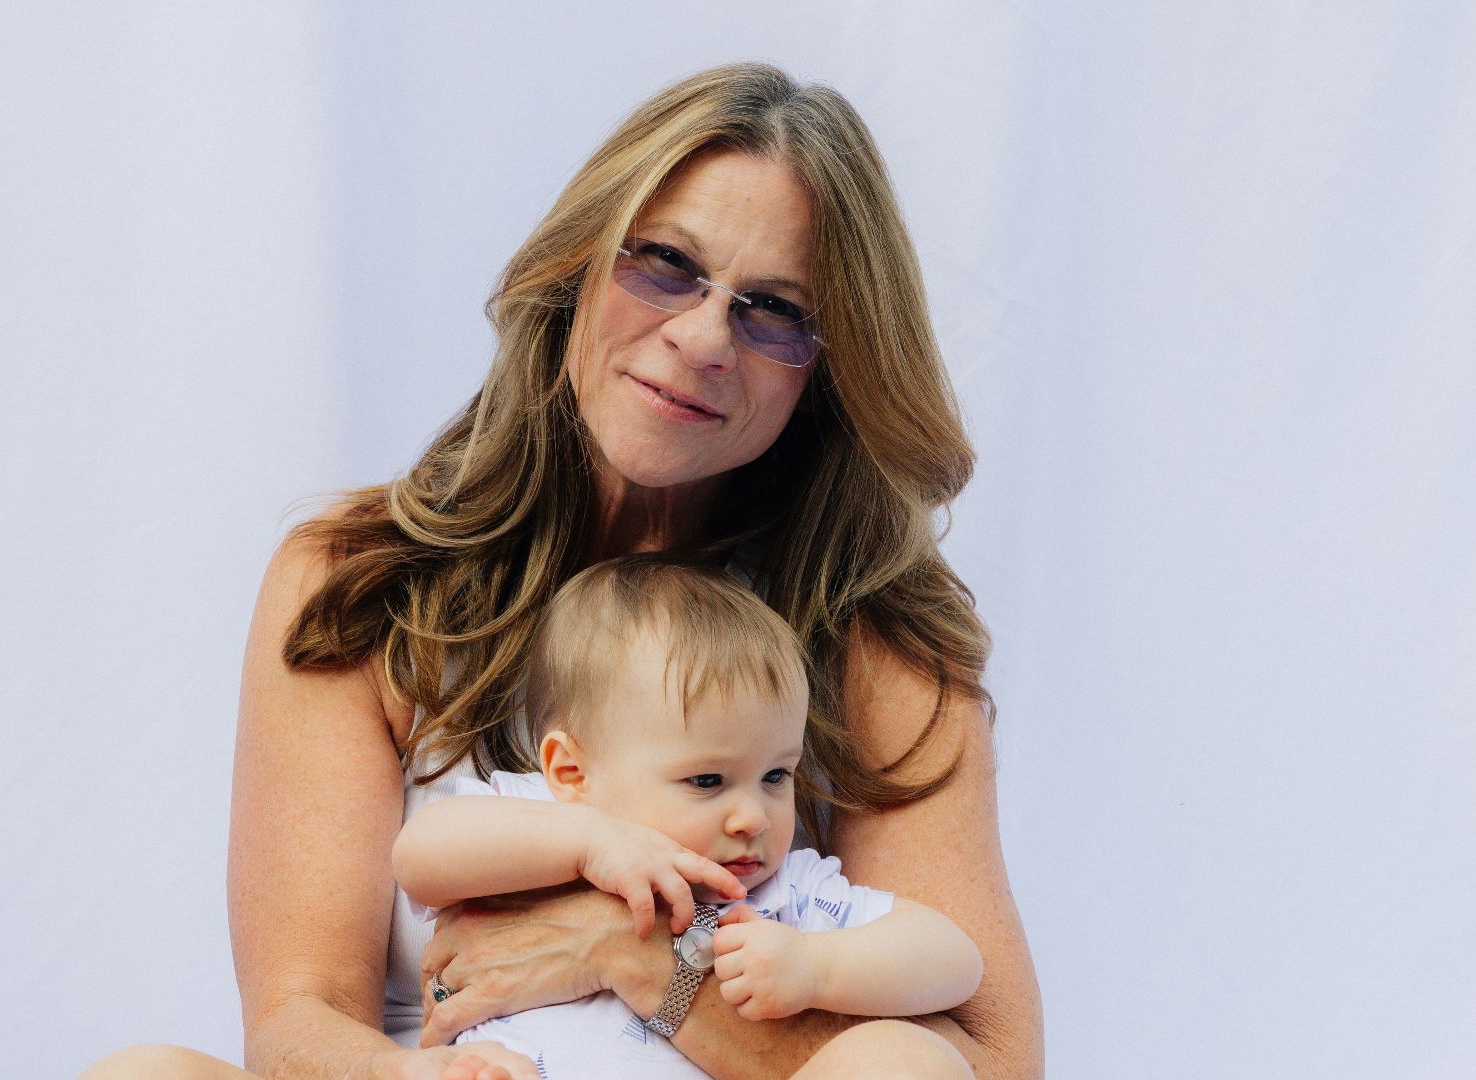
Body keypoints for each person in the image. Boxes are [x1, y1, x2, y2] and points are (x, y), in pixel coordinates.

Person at [83, 61, 1042, 1080]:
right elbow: (300, 1019)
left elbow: (987, 1063)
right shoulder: (357, 584)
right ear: (578, 263)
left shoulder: (876, 634)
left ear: (830, 368)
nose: (703, 336)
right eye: (667, 263)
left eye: (772, 311)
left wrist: (630, 955)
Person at [393, 557, 983, 1078]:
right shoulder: (542, 823)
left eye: (777, 776)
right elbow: (419, 857)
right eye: (707, 781)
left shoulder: (786, 895)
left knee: (911, 1060)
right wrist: (589, 843)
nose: (753, 816)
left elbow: (957, 960)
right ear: (572, 775)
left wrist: (817, 967)